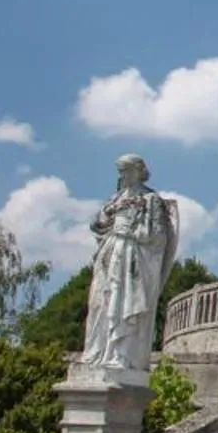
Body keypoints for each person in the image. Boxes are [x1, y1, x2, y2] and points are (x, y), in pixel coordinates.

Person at [82, 154, 178, 373]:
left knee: (124, 301)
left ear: (137, 171)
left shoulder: (151, 200)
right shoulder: (115, 198)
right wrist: (108, 216)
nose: (122, 175)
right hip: (111, 251)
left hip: (132, 255)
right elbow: (97, 225)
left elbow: (159, 236)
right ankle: (97, 352)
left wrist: (133, 232)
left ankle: (121, 353)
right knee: (100, 302)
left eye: (125, 170)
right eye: (120, 171)